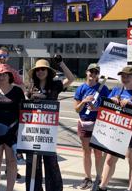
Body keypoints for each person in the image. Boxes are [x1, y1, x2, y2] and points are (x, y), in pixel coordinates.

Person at [25, 56, 74, 191]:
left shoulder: (55, 85)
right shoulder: (31, 87)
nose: (40, 72)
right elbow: (25, 107)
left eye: (43, 69)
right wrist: (33, 99)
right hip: (33, 131)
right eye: (38, 69)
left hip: (48, 132)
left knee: (50, 162)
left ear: (48, 71)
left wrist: (61, 63)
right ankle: (34, 188)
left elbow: (71, 79)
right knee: (33, 163)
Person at [99, 66, 132, 191]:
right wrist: (111, 100)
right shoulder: (116, 90)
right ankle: (102, 186)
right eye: (123, 76)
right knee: (110, 160)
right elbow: (105, 106)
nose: (125, 78)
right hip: (118, 130)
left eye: (127, 76)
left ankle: (131, 188)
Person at [74, 63, 109, 190]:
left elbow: (107, 109)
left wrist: (97, 108)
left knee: (98, 153)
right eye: (91, 71)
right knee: (86, 152)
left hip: (98, 124)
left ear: (98, 75)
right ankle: (87, 177)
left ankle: (98, 178)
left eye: (95, 72)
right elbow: (77, 109)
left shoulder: (103, 89)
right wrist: (84, 101)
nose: (93, 74)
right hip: (84, 123)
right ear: (86, 72)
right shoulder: (81, 89)